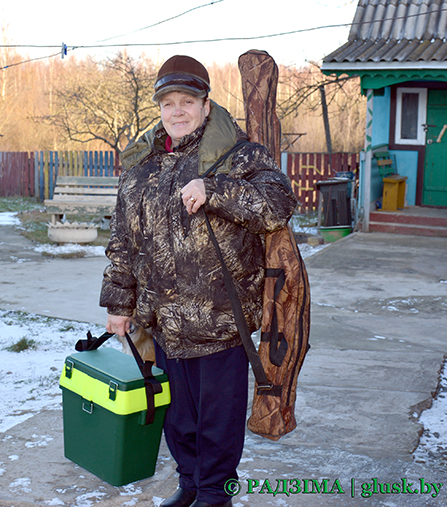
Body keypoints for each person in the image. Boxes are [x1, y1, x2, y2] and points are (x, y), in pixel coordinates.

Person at [100, 55, 297, 507]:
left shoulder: (239, 155)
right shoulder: (142, 167)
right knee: (178, 419)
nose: (177, 111)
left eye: (187, 101)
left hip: (222, 322)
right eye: (168, 102)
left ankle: (215, 494)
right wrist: (118, 304)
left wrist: (216, 191)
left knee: (217, 421)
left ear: (206, 105)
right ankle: (190, 484)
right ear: (160, 108)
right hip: (164, 323)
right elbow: (123, 241)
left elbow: (278, 204)